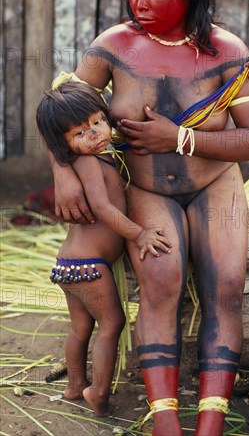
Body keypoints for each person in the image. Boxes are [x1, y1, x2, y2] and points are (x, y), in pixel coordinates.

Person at [50, 0, 249, 436]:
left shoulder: (226, 50)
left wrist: (180, 138)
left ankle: (211, 423)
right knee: (162, 281)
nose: (140, 2)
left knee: (228, 287)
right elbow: (60, 111)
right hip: (147, 189)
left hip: (214, 184)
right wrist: (64, 174)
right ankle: (166, 422)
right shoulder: (113, 45)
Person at [36, 81, 171, 417]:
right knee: (112, 325)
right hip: (90, 267)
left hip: (70, 265)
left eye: (97, 122)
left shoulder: (106, 155)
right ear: (62, 145)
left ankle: (74, 385)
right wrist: (139, 234)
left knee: (81, 328)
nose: (94, 134)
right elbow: (104, 210)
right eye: (80, 133)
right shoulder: (89, 164)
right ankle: (97, 392)